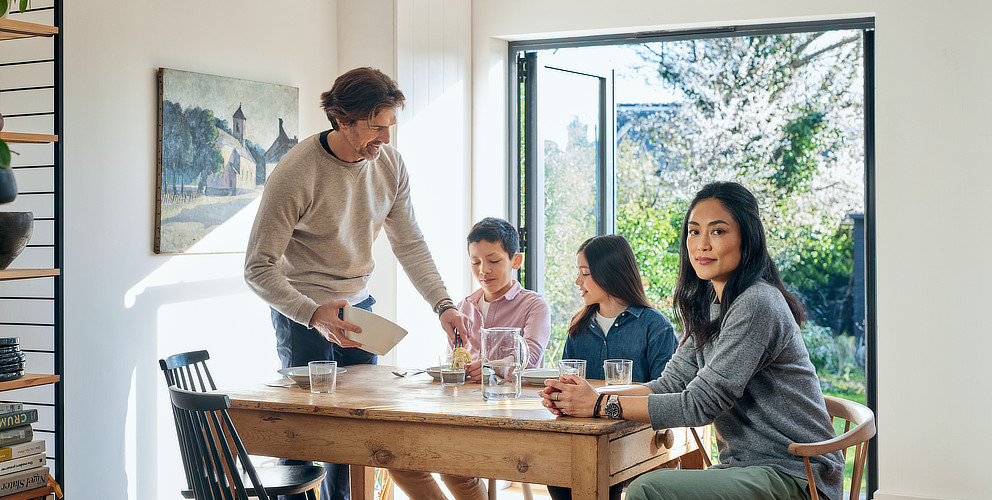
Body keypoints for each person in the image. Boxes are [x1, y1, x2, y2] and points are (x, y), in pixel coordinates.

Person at [538, 181, 845, 500]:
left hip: (796, 475)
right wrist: (583, 399)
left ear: (748, 239)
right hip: (744, 467)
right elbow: (669, 383)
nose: (702, 244)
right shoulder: (712, 305)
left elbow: (700, 404)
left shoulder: (757, 304)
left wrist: (601, 404)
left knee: (648, 489)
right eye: (694, 231)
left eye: (718, 231)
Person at [244, 67, 469, 500]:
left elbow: (410, 244)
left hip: (360, 311)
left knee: (358, 439)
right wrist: (312, 314)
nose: (385, 139)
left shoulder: (390, 165)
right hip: (302, 317)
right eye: (376, 127)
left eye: (390, 127)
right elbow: (258, 267)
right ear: (343, 119)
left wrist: (444, 306)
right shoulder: (296, 173)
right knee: (304, 445)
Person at [389, 217, 551, 500]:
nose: (483, 270)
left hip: (508, 413)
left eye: (493, 261)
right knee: (393, 456)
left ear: (516, 261)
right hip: (462, 410)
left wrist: (490, 368)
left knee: (453, 465)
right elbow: (457, 360)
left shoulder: (533, 304)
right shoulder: (463, 307)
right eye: (475, 262)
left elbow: (532, 358)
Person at [546, 234, 678, 500]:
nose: (577, 282)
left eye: (585, 273)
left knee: (595, 474)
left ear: (610, 273)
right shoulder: (578, 327)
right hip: (583, 436)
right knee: (558, 471)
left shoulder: (655, 326)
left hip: (637, 439)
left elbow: (668, 394)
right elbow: (571, 384)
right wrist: (558, 397)